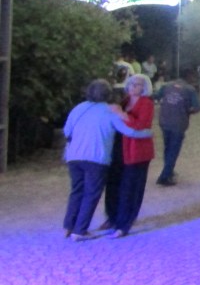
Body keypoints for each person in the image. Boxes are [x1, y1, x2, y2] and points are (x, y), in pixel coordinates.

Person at [62, 79, 153, 241]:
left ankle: (69, 226)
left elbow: (67, 130)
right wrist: (148, 133)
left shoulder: (79, 108)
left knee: (76, 190)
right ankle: (80, 231)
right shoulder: (110, 111)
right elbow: (129, 131)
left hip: (74, 156)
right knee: (91, 193)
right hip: (96, 158)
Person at [105, 73, 155, 237]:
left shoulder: (146, 103)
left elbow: (142, 125)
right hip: (119, 149)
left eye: (138, 84)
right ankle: (112, 217)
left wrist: (122, 115)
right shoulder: (124, 101)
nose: (133, 86)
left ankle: (124, 223)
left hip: (136, 152)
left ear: (144, 87)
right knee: (114, 184)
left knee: (130, 187)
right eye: (131, 83)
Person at [153, 71, 200, 185]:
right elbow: (197, 107)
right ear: (190, 77)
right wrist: (187, 111)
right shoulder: (189, 89)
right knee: (173, 150)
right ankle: (165, 176)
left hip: (164, 121)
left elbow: (156, 96)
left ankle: (168, 170)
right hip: (179, 123)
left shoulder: (167, 86)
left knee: (167, 147)